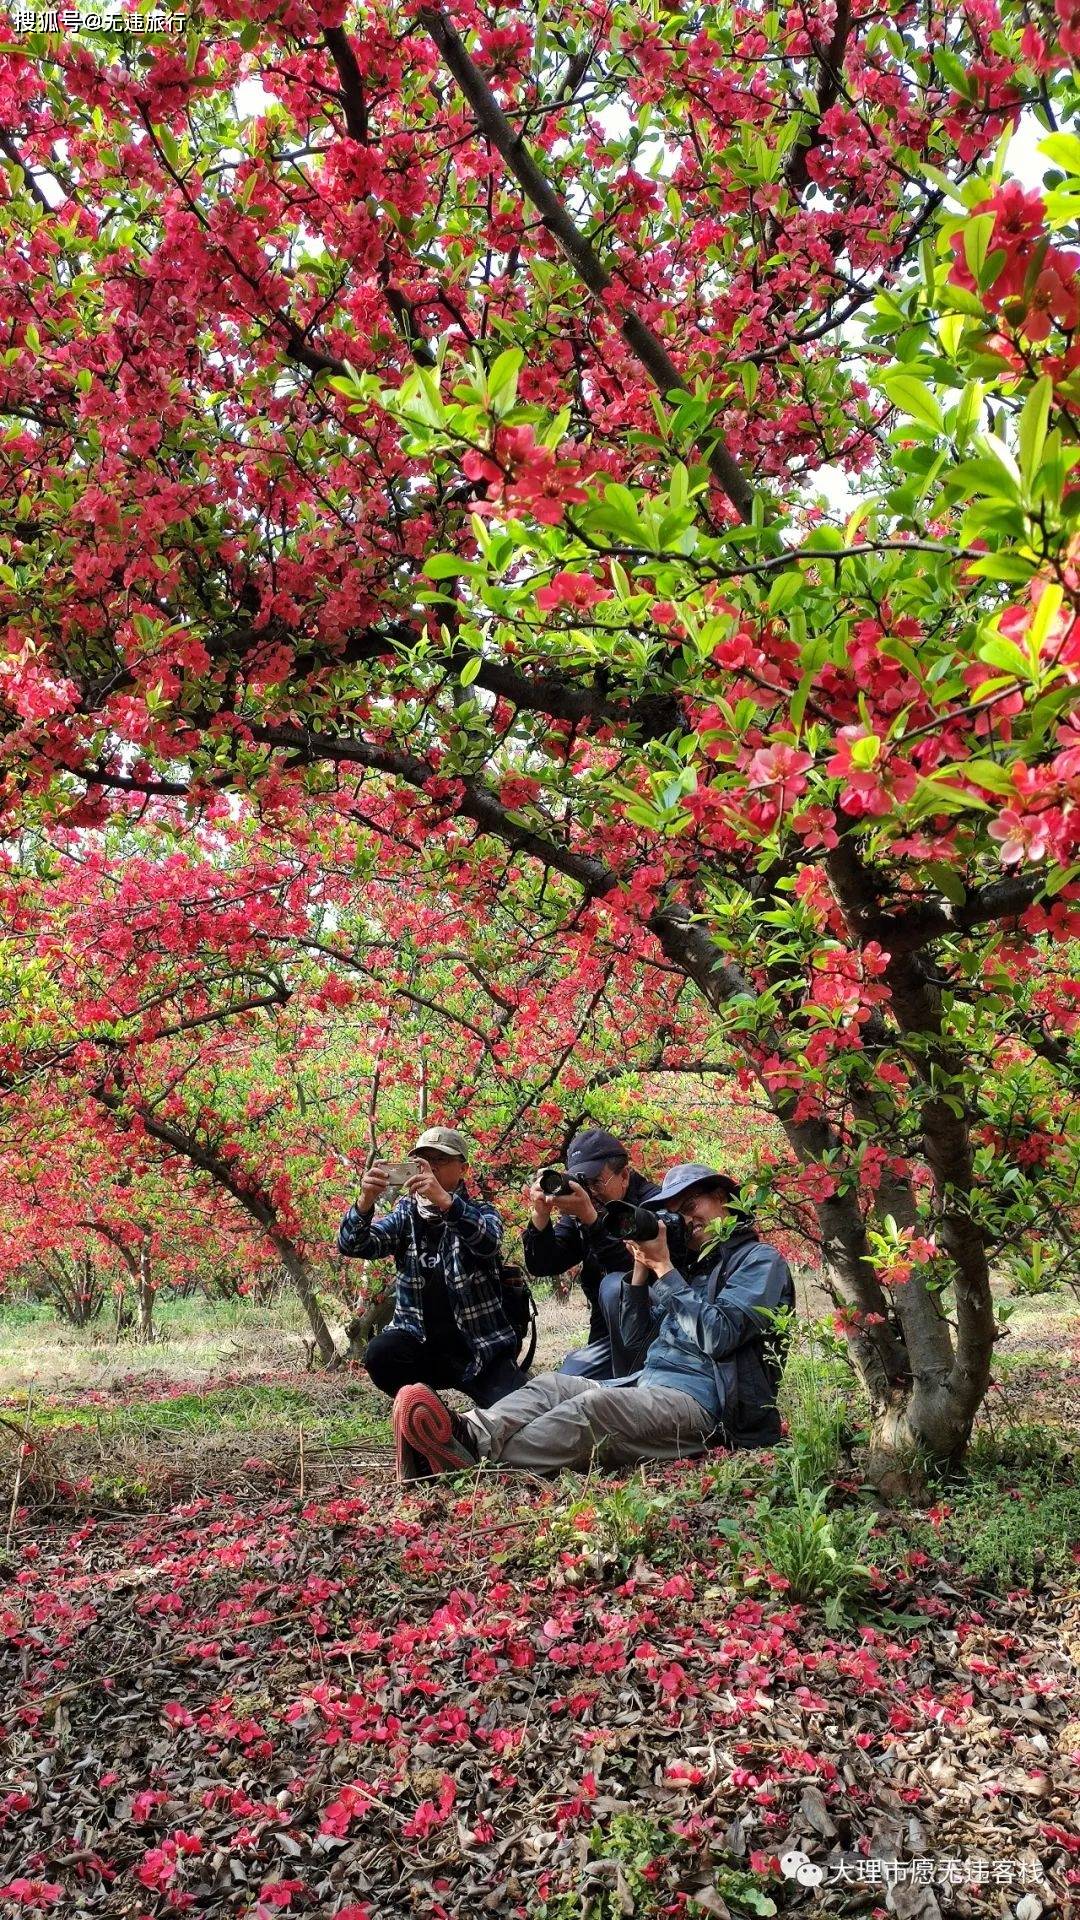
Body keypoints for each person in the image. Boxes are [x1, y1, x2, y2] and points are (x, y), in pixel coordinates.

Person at [391, 1162, 795, 1482]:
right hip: (648, 1384)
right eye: (675, 1214)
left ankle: (468, 1459)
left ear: (724, 1198)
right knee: (552, 1386)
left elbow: (719, 1335)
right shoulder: (692, 1266)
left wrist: (666, 1268)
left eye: (691, 1208)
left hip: (707, 1404)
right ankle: (466, 1433)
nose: (685, 1222)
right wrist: (643, 1270)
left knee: (595, 1408)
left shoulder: (760, 1261)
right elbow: (635, 1343)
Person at [338, 1126, 527, 1409]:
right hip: (420, 1342)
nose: (430, 1169)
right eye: (423, 1161)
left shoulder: (482, 1211)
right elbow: (353, 1245)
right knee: (381, 1354)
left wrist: (446, 1203)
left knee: (518, 1413)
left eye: (440, 1160)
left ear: (462, 1169)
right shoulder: (406, 1214)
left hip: (478, 1348)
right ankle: (438, 1421)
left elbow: (488, 1241)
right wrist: (365, 1202)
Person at [523, 1128, 660, 1379]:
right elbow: (542, 1265)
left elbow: (638, 1274)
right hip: (608, 1333)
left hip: (656, 1326)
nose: (590, 1191)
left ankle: (626, 1389)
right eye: (582, 1182)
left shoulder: (652, 1204)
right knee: (570, 1379)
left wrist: (592, 1219)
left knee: (614, 1285)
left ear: (625, 1176)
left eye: (596, 1182)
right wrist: (540, 1217)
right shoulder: (582, 1213)